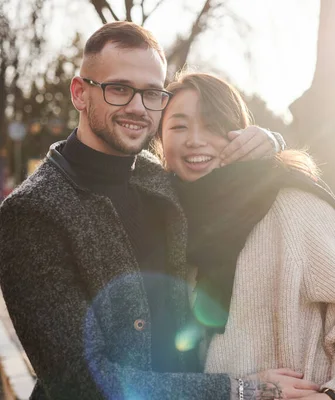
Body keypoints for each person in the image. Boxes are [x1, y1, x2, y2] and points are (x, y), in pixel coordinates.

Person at [0, 22, 317, 399]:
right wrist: (242, 390)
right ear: (80, 93)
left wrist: (269, 143)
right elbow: (80, 383)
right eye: (119, 89)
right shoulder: (31, 213)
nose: (137, 107)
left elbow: (231, 189)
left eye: (152, 93)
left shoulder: (160, 179)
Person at [157, 72, 335, 400]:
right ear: (159, 142)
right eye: (178, 126)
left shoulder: (292, 204)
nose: (195, 139)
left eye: (212, 124)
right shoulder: (162, 217)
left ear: (240, 136)